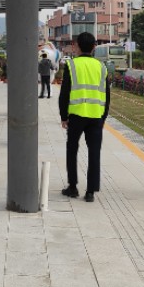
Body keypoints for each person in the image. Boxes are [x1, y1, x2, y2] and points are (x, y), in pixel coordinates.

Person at [58, 32, 110, 202]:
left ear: (77, 46)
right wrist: (103, 117)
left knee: (72, 150)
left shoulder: (71, 65)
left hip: (76, 115)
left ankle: (72, 187)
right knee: (95, 153)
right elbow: (107, 94)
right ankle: (90, 192)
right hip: (96, 115)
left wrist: (63, 116)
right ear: (94, 47)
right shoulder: (102, 67)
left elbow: (64, 93)